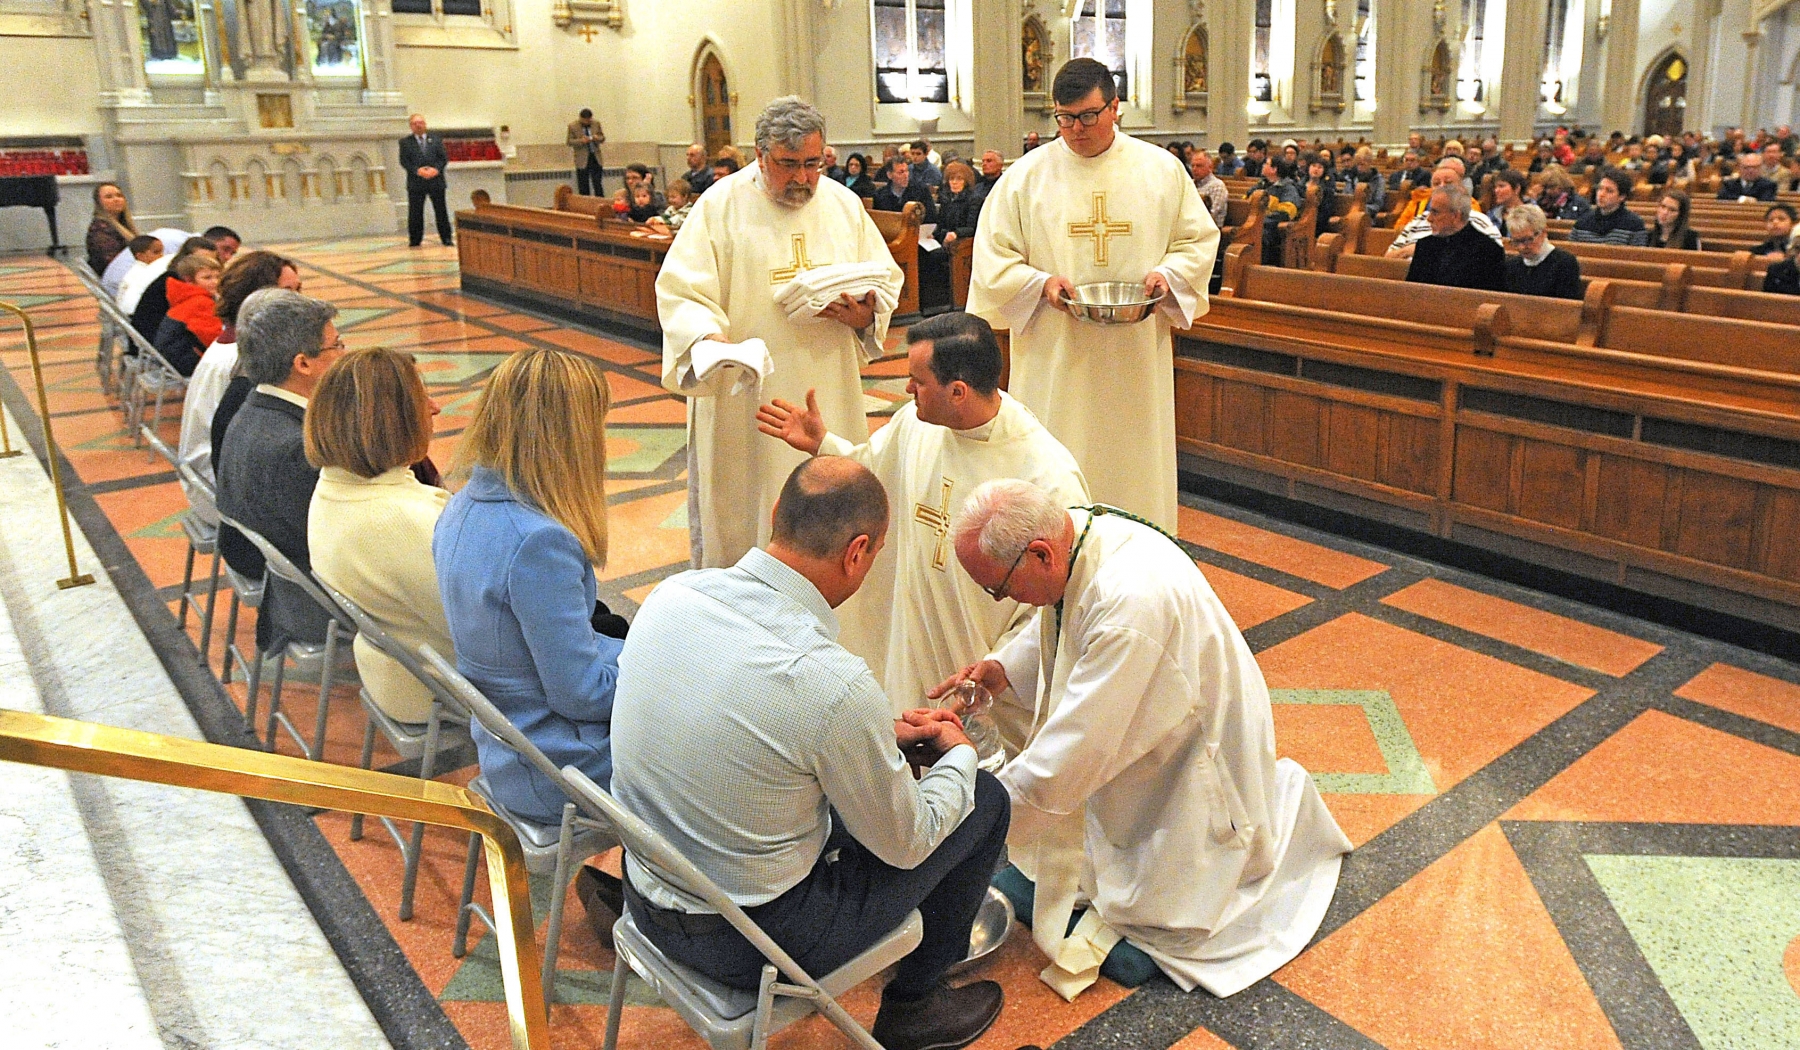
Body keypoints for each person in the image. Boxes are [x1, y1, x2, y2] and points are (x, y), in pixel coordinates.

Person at [611, 457, 1009, 1050]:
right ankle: (915, 1006)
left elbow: (741, 738)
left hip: (644, 894)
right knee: (985, 801)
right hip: (751, 942)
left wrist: (873, 740)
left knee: (857, 792)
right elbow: (908, 842)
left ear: (777, 515)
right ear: (858, 551)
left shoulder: (673, 597)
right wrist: (957, 754)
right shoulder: (828, 681)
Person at [937, 479, 1351, 999]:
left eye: (999, 589)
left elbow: (1074, 753)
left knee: (1163, 897)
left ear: (1040, 553)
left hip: (1191, 753)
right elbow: (1067, 615)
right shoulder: (1079, 533)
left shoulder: (1131, 603)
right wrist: (1002, 667)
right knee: (1099, 825)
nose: (1001, 600)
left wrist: (972, 815)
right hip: (1160, 704)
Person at [755, 312, 1088, 710]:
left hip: (989, 679)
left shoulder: (1047, 475)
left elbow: (1060, 595)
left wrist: (1002, 665)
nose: (908, 387)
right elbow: (877, 470)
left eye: (919, 381)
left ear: (958, 392)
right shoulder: (917, 424)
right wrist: (823, 445)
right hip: (914, 647)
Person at [968, 57, 1216, 533]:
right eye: (1063, 117)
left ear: (1115, 107)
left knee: (1134, 474)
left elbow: (1198, 243)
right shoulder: (1025, 177)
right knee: (1054, 475)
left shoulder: (1160, 171)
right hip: (1055, 357)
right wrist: (1040, 284)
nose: (1075, 129)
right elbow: (993, 258)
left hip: (1134, 361)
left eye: (1087, 116)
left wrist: (1168, 276)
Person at [656, 96, 903, 568]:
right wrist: (709, 340)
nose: (804, 178)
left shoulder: (843, 205)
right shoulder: (720, 206)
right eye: (788, 164)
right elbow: (681, 291)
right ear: (759, 154)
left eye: (813, 163)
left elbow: (885, 281)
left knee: (830, 507)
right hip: (747, 396)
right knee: (747, 509)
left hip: (826, 384)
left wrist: (864, 316)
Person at [434, 346, 621, 825]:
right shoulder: (539, 541)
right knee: (729, 748)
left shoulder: (460, 505)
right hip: (559, 764)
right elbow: (582, 695)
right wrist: (663, 670)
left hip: (509, 744)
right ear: (571, 436)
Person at [305, 347, 452, 726]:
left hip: (392, 670)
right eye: (422, 398)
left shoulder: (331, 486)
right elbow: (491, 637)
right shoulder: (402, 520)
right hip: (438, 689)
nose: (435, 408)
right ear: (393, 421)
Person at [214, 290, 345, 651]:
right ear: (303, 363)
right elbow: (335, 546)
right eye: (337, 345)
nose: (344, 355)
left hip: (279, 579)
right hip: (311, 605)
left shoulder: (253, 408)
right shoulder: (295, 448)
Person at [177, 251, 301, 527]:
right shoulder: (243, 360)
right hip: (221, 491)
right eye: (287, 292)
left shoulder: (236, 342)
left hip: (219, 477)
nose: (300, 302)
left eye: (298, 291)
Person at [1386, 163, 1503, 259]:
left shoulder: (1477, 219)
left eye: (1448, 183)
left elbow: (1495, 257)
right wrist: (1408, 251)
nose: (1442, 187)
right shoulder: (1419, 220)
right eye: (1436, 183)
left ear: (1461, 188)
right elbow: (1388, 260)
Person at [1405, 183, 1507, 291]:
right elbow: (1411, 292)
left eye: (1435, 212)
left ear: (1455, 216)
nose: (1429, 219)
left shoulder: (1488, 250)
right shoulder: (1425, 245)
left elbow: (1490, 297)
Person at [130, 236, 215, 342]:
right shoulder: (178, 285)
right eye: (200, 260)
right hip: (154, 344)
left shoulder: (170, 276)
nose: (208, 264)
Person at [152, 251, 223, 376]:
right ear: (189, 280)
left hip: (169, 359)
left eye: (218, 277)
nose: (215, 282)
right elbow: (213, 338)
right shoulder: (200, 302)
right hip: (184, 362)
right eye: (207, 278)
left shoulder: (185, 295)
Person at [1504, 204, 1583, 300]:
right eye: (1516, 241)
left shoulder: (1565, 263)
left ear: (1543, 232)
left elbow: (1568, 308)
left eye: (1528, 240)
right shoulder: (1511, 266)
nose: (1522, 247)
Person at [400, 114, 453, 247]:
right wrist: (418, 171)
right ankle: (415, 240)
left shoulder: (435, 139)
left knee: (441, 211)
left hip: (436, 181)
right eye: (415, 123)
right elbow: (404, 161)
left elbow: (443, 158)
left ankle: (446, 238)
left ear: (425, 124)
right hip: (416, 183)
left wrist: (436, 170)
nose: (418, 125)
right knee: (415, 212)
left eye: (421, 122)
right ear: (411, 126)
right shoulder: (405, 142)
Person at [1570, 168, 1647, 245]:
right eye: (1600, 188)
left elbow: (1637, 255)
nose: (1601, 194)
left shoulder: (1634, 225)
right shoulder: (1582, 222)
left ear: (1622, 197)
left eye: (1609, 191)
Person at [86, 182, 137, 276]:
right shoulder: (99, 229)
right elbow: (113, 263)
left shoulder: (123, 224)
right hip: (116, 277)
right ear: (99, 203)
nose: (116, 199)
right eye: (109, 197)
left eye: (119, 195)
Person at [874, 157, 939, 223]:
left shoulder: (921, 191)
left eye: (907, 171)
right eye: (901, 172)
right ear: (889, 175)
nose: (906, 176)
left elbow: (931, 218)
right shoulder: (880, 195)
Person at [116, 235, 164, 309]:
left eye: (162, 251)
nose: (162, 256)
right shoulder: (141, 274)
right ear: (140, 256)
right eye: (156, 252)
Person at [568, 108, 606, 196]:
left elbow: (602, 137)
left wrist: (597, 138)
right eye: (585, 120)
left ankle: (600, 202)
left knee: (597, 183)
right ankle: (585, 204)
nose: (587, 122)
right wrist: (581, 141)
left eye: (589, 120)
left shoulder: (596, 124)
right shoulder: (573, 126)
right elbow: (569, 141)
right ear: (581, 118)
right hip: (582, 159)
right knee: (583, 184)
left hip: (595, 157)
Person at [1191, 150, 1229, 230]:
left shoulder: (1217, 186)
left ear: (1210, 167)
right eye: (1193, 166)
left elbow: (1212, 214)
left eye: (1199, 166)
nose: (1194, 169)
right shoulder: (1189, 184)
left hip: (1209, 231)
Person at [1342, 146, 1386, 214]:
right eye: (1358, 164)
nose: (1359, 168)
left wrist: (1361, 208)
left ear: (1370, 163)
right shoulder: (1352, 178)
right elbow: (1345, 198)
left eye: (1362, 164)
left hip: (1367, 216)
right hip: (1350, 212)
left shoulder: (1378, 180)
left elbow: (1378, 204)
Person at [1487, 169, 1527, 233]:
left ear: (1517, 188)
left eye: (1501, 186)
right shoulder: (1492, 214)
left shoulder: (1531, 216)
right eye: (1495, 187)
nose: (1496, 190)